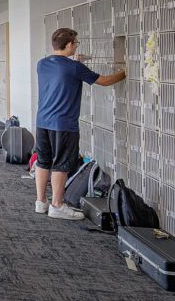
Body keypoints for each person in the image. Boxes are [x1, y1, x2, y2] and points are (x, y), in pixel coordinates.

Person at [35, 28, 126, 220]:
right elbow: (104, 81)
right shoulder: (74, 68)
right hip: (63, 123)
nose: (76, 46)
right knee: (61, 164)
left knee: (43, 161)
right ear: (69, 45)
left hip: (43, 120)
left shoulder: (42, 64)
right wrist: (126, 72)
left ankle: (41, 202)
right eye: (75, 44)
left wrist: (75, 62)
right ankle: (57, 205)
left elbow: (61, 72)